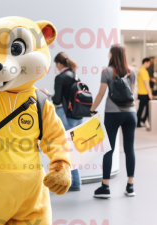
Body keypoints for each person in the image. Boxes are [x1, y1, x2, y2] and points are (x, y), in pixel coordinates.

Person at [90, 44, 137, 199]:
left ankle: (105, 187)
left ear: (112, 54)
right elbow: (133, 93)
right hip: (130, 114)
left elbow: (101, 94)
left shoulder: (107, 71)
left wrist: (92, 109)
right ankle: (130, 186)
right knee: (129, 148)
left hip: (113, 113)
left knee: (109, 149)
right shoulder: (132, 71)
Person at [41, 52, 81, 191]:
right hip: (77, 116)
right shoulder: (75, 75)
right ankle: (76, 182)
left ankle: (74, 182)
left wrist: (47, 95)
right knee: (72, 149)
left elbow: (57, 100)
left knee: (65, 149)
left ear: (58, 64)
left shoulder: (60, 77)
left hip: (65, 116)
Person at [137, 58, 152, 128]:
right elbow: (146, 83)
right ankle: (140, 121)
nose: (149, 64)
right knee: (146, 109)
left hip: (141, 93)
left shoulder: (141, 70)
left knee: (141, 108)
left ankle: (140, 121)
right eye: (149, 63)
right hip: (144, 93)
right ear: (146, 62)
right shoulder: (143, 71)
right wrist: (150, 93)